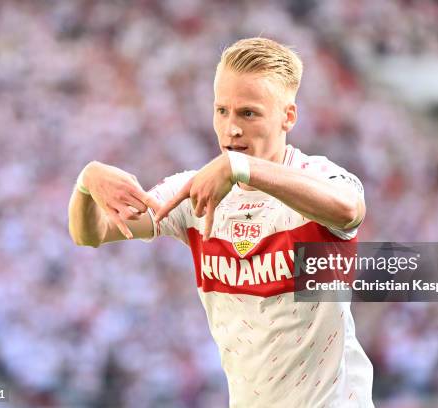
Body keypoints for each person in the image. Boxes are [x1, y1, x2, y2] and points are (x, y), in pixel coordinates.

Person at [68, 37, 373, 407]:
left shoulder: (318, 177)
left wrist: (242, 168)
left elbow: (348, 210)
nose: (231, 129)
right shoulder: (192, 192)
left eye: (248, 113)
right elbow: (91, 234)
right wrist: (87, 182)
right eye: (222, 111)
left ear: (288, 116)